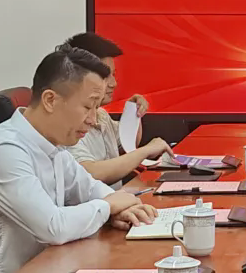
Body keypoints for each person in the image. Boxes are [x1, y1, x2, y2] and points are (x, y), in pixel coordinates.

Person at [0, 46, 157, 273]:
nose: (93, 119)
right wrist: (109, 207)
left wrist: (122, 209)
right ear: (50, 100)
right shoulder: (4, 150)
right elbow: (53, 227)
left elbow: (89, 188)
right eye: (87, 107)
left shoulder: (53, 144)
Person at [63, 32, 173, 188]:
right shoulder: (68, 121)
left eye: (113, 75)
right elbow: (90, 174)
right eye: (105, 76)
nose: (113, 83)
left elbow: (126, 146)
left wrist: (132, 115)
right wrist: (146, 150)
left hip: (115, 199)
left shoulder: (101, 115)